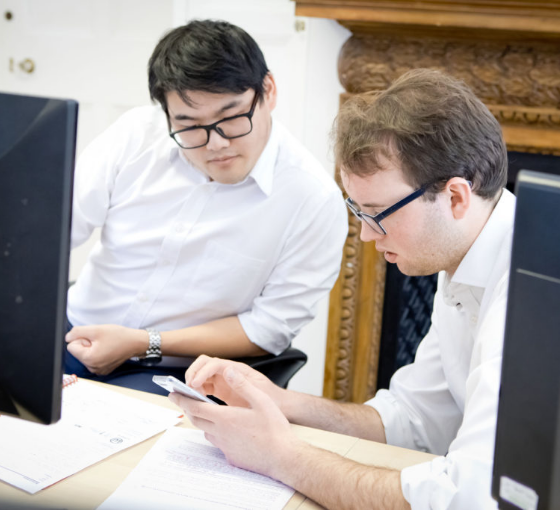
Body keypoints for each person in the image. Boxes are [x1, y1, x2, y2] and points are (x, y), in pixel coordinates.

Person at [170, 68, 514, 509]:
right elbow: (413, 420)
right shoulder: (463, 260)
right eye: (357, 210)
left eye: (378, 212)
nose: (368, 236)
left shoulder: (527, 298)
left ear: (456, 197)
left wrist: (280, 455)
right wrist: (283, 403)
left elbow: (461, 500)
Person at [64, 20, 347, 391]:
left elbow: (267, 330)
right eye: (190, 125)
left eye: (230, 118)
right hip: (71, 332)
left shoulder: (313, 200)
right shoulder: (135, 134)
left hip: (176, 371)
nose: (215, 143)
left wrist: (143, 342)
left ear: (268, 91)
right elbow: (55, 230)